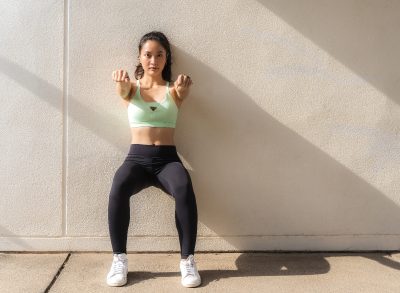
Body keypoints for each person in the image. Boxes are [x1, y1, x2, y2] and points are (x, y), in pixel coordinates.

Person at [106, 31, 201, 288]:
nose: (153, 60)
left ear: (166, 58)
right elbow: (122, 89)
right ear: (139, 57)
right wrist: (120, 80)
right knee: (118, 185)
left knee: (183, 187)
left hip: (167, 160)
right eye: (148, 54)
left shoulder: (175, 89)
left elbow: (182, 93)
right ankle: (119, 259)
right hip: (137, 159)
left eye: (159, 54)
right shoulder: (130, 88)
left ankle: (187, 261)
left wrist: (182, 89)